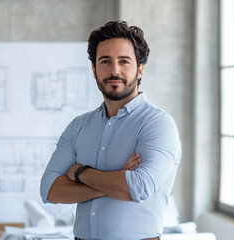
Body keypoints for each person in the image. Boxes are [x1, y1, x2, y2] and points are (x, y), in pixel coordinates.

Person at [40, 20, 181, 240]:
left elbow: (138, 189)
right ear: (94, 70)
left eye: (124, 61)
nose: (114, 70)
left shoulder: (158, 124)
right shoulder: (79, 126)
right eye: (105, 61)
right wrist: (114, 181)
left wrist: (80, 173)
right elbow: (50, 189)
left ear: (140, 69)